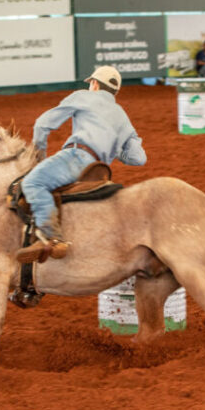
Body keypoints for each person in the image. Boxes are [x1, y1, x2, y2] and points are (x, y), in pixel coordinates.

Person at [18, 65, 146, 262]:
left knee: (33, 183)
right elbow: (138, 158)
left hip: (76, 157)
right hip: (98, 170)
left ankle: (51, 237)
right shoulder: (122, 115)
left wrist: (39, 156)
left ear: (94, 84)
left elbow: (42, 124)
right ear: (115, 91)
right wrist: (113, 147)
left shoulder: (82, 97)